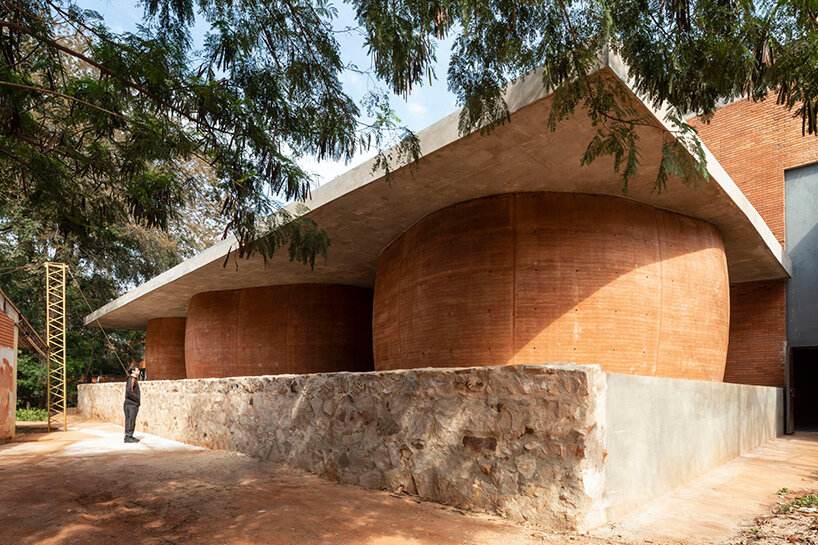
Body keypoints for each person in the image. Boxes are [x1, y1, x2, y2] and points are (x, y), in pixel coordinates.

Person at [123, 365, 141, 443]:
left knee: (130, 420)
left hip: (129, 404)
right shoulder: (132, 379)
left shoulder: (132, 379)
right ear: (133, 371)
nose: (139, 371)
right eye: (137, 370)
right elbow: (129, 391)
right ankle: (128, 437)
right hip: (131, 404)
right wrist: (136, 399)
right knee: (130, 420)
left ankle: (129, 436)